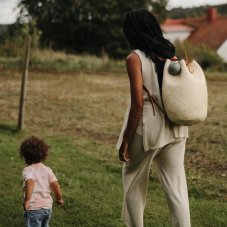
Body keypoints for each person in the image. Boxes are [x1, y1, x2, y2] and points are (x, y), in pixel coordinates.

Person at [116, 9, 191, 227]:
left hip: (149, 129)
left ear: (132, 32)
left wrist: (126, 141)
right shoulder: (169, 53)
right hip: (176, 127)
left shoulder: (134, 58)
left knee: (133, 179)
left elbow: (138, 105)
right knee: (176, 187)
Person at [20, 136, 64, 227]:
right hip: (47, 207)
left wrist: (27, 200)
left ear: (25, 156)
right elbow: (55, 184)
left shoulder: (28, 170)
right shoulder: (48, 170)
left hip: (34, 208)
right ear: (43, 154)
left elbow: (30, 182)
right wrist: (59, 198)